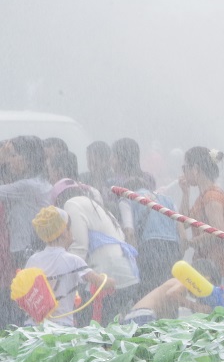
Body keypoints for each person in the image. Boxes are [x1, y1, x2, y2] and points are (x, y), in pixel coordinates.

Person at [53, 178, 140, 324]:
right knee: (111, 329)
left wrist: (57, 275)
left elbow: (79, 247)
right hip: (126, 273)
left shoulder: (72, 204)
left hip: (107, 275)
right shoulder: (93, 205)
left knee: (91, 329)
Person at [25, 206, 108, 327]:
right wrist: (112, 281)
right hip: (61, 328)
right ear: (64, 232)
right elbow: (100, 282)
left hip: (33, 329)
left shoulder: (33, 260)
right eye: (70, 227)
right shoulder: (73, 261)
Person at [179, 147, 224, 296]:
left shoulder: (212, 196)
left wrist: (192, 242)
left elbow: (219, 231)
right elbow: (182, 221)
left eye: (185, 167)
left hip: (219, 270)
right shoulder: (202, 197)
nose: (183, 172)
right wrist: (185, 194)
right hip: (207, 269)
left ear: (196, 169)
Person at [0, 136, 53, 269]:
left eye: (13, 155)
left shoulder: (28, 186)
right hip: (33, 247)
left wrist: (1, 157)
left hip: (25, 250)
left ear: (28, 159)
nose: (9, 161)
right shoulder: (39, 182)